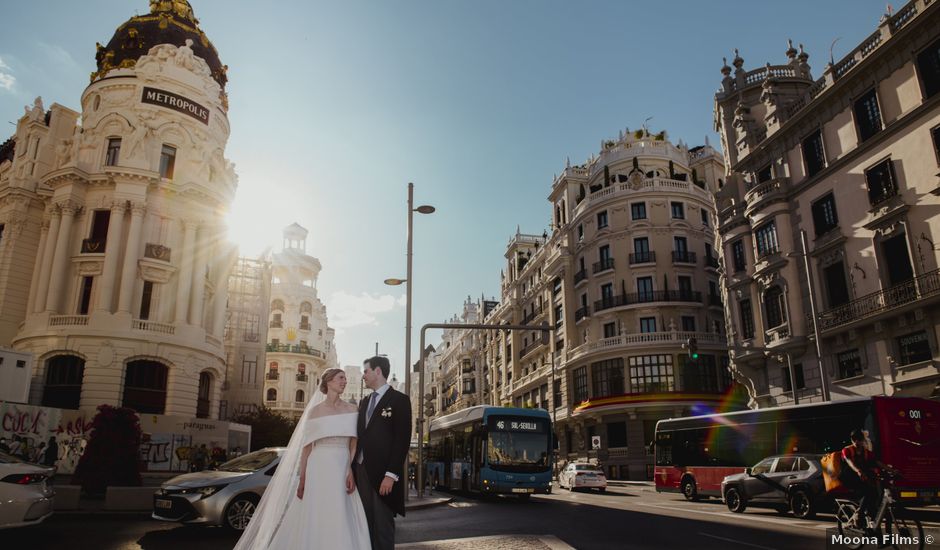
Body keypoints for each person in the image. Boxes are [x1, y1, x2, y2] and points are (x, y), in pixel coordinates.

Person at [233, 368, 370, 549]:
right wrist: (303, 478)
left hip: (341, 464)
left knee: (340, 509)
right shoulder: (314, 412)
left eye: (345, 378)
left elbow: (353, 443)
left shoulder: (353, 409)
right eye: (341, 378)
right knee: (316, 510)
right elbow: (307, 448)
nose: (344, 382)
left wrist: (349, 469)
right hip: (318, 465)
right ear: (329, 382)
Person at [355, 355, 413, 550]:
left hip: (384, 475)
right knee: (365, 525)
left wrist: (391, 475)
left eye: (366, 371)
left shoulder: (400, 400)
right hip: (361, 473)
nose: (364, 376)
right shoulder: (364, 402)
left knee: (383, 527)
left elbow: (402, 440)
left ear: (378, 371)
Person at [841, 429, 888, 528]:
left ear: (863, 440)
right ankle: (859, 515)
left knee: (875, 499)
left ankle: (876, 534)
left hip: (863, 479)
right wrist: (858, 471)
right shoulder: (847, 450)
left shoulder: (866, 452)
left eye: (859, 439)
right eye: (854, 439)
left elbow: (877, 462)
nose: (857, 442)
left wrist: (892, 470)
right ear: (852, 440)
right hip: (849, 479)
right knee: (868, 491)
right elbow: (849, 462)